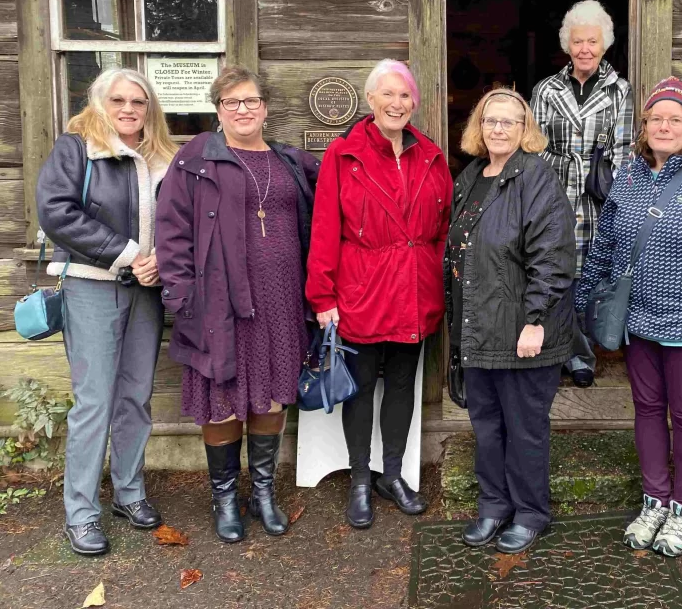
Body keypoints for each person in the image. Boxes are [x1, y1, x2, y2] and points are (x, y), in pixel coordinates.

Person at [576, 77, 682, 558]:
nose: (664, 125)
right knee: (649, 411)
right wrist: (582, 302)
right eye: (656, 118)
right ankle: (654, 500)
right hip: (638, 324)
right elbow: (606, 246)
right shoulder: (628, 177)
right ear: (644, 126)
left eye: (675, 119)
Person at [156, 66, 320, 543]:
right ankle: (226, 498)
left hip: (283, 300)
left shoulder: (291, 161)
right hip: (219, 302)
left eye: (251, 101)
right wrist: (183, 297)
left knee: (270, 393)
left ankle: (264, 493)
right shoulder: (195, 160)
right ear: (219, 110)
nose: (243, 110)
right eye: (232, 103)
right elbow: (171, 231)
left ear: (266, 108)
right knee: (222, 400)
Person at [37, 68, 177, 556]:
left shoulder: (163, 155)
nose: (129, 109)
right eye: (118, 100)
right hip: (93, 286)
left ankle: (129, 493)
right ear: (100, 103)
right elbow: (57, 211)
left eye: (139, 102)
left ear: (149, 108)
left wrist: (165, 261)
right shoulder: (77, 147)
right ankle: (80, 513)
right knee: (95, 401)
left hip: (147, 291)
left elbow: (180, 220)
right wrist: (129, 255)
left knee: (136, 397)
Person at [306, 60, 451, 530]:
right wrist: (322, 296)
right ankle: (360, 481)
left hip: (415, 288)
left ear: (414, 103)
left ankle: (392, 475)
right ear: (370, 101)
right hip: (362, 289)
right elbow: (326, 227)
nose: (396, 103)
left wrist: (442, 280)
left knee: (403, 385)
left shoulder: (430, 154)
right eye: (387, 94)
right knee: (362, 386)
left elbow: (444, 228)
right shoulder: (343, 154)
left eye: (404, 95)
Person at [446, 87, 576, 555]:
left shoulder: (536, 178)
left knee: (524, 428)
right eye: (491, 121)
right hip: (478, 328)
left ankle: (529, 512)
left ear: (525, 131)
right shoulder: (473, 176)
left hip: (522, 331)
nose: (498, 129)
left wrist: (536, 319)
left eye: (509, 122)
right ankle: (494, 506)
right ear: (478, 128)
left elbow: (555, 255)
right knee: (486, 425)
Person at [531, 0, 634, 387]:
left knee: (588, 277)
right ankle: (559, 351)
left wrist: (620, 201)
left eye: (592, 41)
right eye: (578, 42)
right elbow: (535, 146)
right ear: (567, 45)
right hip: (554, 195)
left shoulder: (618, 91)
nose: (585, 49)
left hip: (596, 197)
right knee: (553, 273)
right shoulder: (546, 89)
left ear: (604, 44)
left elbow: (624, 152)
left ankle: (580, 353)